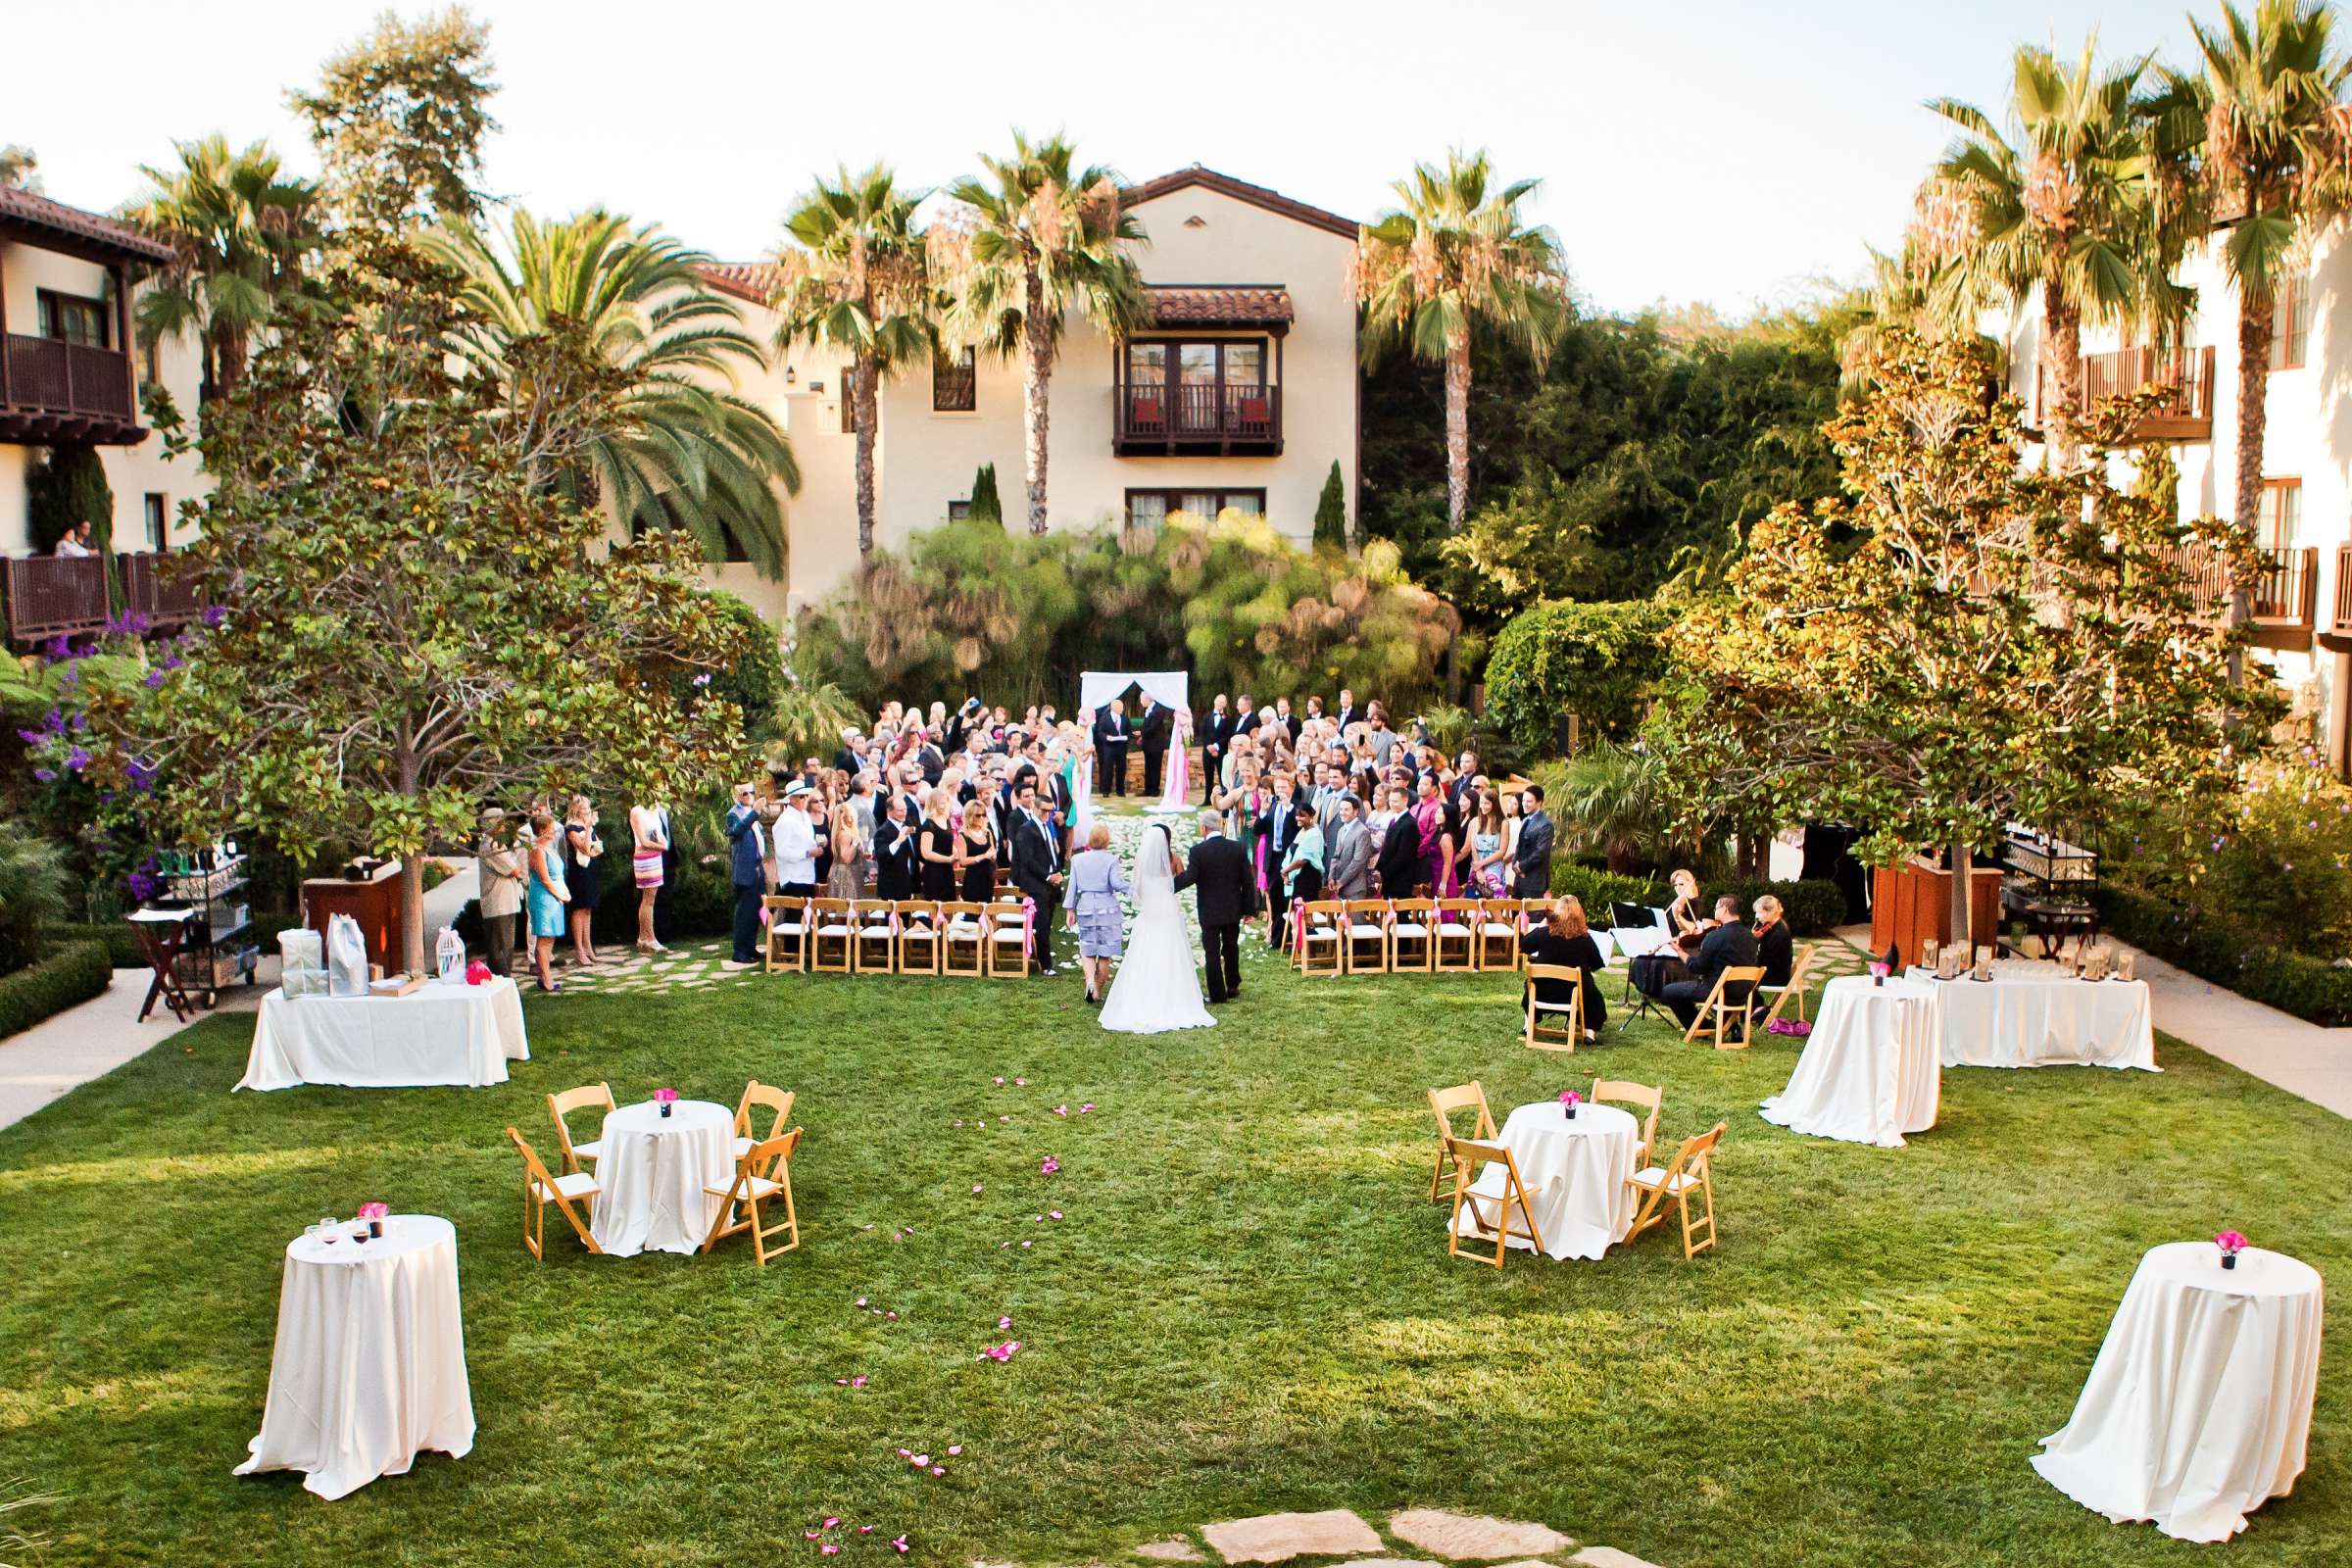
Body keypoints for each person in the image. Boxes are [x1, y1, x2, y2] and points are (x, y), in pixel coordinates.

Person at [1100, 823, 1216, 1032]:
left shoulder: (1140, 862)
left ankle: (1145, 992)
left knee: (1146, 950)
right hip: (1168, 909)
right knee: (1172, 951)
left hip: (1151, 910)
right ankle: (1175, 995)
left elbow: (1137, 890)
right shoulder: (1173, 860)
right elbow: (1181, 880)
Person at [1173, 809, 1252, 1004]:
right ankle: (1232, 985)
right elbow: (1248, 881)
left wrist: (1166, 885)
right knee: (1231, 947)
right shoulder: (1238, 848)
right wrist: (1249, 909)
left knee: (1212, 951)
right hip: (1232, 908)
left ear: (1203, 828)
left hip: (1209, 910)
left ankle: (1217, 994)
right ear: (1221, 826)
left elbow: (1190, 878)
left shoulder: (1198, 851)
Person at [1664, 895, 1762, 1032]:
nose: (1714, 911)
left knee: (1669, 991)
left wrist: (1678, 950)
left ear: (1725, 909)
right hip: (1742, 994)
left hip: (1717, 992)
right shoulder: (1751, 936)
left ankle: (1701, 1027)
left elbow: (1697, 967)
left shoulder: (1715, 936)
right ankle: (1730, 1025)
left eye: (1716, 908)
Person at [1519, 896, 1608, 1042]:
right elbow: (1597, 964)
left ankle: (1528, 1024)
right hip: (1574, 994)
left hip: (1542, 993)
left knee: (1530, 986)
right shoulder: (1585, 939)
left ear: (1556, 913)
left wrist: (1543, 924)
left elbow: (1525, 945)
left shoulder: (1543, 933)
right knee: (1593, 995)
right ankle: (1589, 1033)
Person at [1066, 821, 1131, 1004]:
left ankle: (1089, 982)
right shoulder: (1111, 859)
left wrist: (1070, 910)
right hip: (1107, 908)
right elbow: (1117, 884)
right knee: (1104, 952)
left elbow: (1072, 886)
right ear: (1107, 840)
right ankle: (1098, 992)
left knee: (1087, 948)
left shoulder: (1078, 860)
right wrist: (1134, 888)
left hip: (1086, 906)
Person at [1007, 777, 1065, 976]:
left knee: (1047, 921)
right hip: (1036, 883)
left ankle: (1043, 955)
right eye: (1044, 810)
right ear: (1035, 808)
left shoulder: (1047, 826)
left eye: (1050, 811)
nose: (1047, 814)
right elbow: (1028, 860)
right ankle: (1046, 964)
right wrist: (1048, 876)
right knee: (1041, 922)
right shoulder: (1026, 830)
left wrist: (1057, 871)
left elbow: (1051, 850)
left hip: (1050, 880)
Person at [725, 782, 770, 968]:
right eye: (745, 793)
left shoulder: (752, 813)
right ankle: (739, 951)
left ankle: (750, 947)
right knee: (744, 911)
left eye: (751, 793)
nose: (749, 796)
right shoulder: (733, 814)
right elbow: (735, 831)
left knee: (755, 910)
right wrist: (754, 813)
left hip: (757, 867)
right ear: (738, 795)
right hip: (744, 869)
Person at [524, 809, 570, 992]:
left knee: (549, 939)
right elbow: (545, 879)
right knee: (543, 939)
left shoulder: (550, 849)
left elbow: (557, 875)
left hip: (554, 897)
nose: (554, 832)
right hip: (544, 898)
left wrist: (563, 893)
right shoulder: (537, 851)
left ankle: (546, 976)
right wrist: (559, 895)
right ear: (542, 830)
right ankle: (545, 978)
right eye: (551, 829)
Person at [475, 807, 523, 977]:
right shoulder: (491, 846)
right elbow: (515, 870)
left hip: (505, 904)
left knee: (506, 948)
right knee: (500, 951)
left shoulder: (497, 844)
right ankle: (502, 984)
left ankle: (504, 984)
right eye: (502, 822)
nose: (504, 826)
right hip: (498, 905)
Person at [564, 795, 604, 969]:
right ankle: (579, 949)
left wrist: (590, 833)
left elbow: (598, 848)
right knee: (579, 909)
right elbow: (586, 848)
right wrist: (587, 830)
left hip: (591, 868)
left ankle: (588, 946)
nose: (588, 811)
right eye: (585, 808)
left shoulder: (589, 826)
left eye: (589, 808)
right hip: (578, 872)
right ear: (577, 810)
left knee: (588, 909)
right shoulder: (571, 828)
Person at [628, 802, 668, 954]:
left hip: (655, 856)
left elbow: (658, 833)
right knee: (648, 900)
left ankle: (643, 937)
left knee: (650, 898)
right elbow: (643, 841)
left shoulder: (656, 809)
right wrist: (662, 847)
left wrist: (663, 842)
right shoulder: (637, 811)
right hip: (645, 858)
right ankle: (650, 938)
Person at [773, 781, 820, 902]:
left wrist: (818, 846)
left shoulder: (805, 816)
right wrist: (807, 853)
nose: (805, 799)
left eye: (806, 796)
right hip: (793, 878)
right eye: (801, 796)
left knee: (809, 917)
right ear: (792, 799)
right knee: (794, 917)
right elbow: (782, 851)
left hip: (808, 876)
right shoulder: (785, 820)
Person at [1281, 802, 1326, 920]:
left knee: (1306, 916)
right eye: (1297, 815)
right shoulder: (1301, 832)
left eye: (1302, 815)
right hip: (1297, 879)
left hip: (1308, 879)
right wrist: (1285, 874)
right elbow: (1289, 855)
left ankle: (1307, 938)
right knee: (1296, 916)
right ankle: (1297, 938)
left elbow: (1301, 861)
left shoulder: (1314, 834)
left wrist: (1285, 871)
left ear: (1311, 817)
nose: (1298, 818)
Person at [1376, 783, 1423, 896]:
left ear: (1405, 800)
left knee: (1398, 912)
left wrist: (1384, 873)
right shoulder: (1394, 819)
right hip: (1390, 878)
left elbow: (1404, 855)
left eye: (1395, 801)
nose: (1392, 804)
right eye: (1390, 801)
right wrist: (1379, 868)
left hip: (1400, 879)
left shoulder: (1409, 823)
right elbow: (1387, 847)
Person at [1326, 793, 1375, 900]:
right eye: (1341, 809)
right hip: (1339, 888)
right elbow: (1336, 856)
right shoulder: (1341, 830)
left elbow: (1358, 861)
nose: (1342, 813)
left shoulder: (1362, 831)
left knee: (1355, 917)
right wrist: (1331, 877)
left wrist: (1341, 881)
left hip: (1354, 888)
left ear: (1356, 812)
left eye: (1346, 810)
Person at [873, 790, 919, 901]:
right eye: (900, 810)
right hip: (892, 887)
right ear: (889, 811)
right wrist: (898, 841)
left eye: (905, 810)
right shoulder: (882, 831)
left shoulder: (907, 826)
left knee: (907, 917)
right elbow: (882, 855)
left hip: (908, 884)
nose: (904, 813)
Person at [1512, 784, 1555, 898]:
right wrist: (1515, 865)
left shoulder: (1546, 824)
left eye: (1529, 801)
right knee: (1515, 914)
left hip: (1534, 882)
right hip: (1519, 882)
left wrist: (1521, 866)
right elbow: (1519, 846)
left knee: (1533, 915)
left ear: (1539, 802)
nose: (1525, 804)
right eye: (1523, 801)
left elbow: (1541, 853)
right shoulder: (1526, 820)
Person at [919, 787, 960, 902]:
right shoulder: (928, 824)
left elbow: (946, 841)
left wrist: (956, 853)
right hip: (934, 872)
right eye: (942, 803)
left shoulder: (945, 820)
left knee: (949, 906)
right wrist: (948, 859)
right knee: (936, 909)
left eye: (947, 802)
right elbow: (926, 853)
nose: (946, 805)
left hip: (947, 871)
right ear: (934, 803)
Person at [1467, 787, 1509, 898]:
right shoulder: (1475, 821)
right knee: (1476, 901)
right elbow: (1473, 847)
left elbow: (1502, 851)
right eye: (1481, 803)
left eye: (1486, 803)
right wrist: (1478, 869)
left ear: (1494, 804)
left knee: (1493, 899)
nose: (1483, 806)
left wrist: (1481, 863)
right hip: (1477, 864)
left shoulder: (1503, 823)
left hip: (1494, 864)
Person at [956, 798, 998, 905]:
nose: (982, 818)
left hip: (987, 878)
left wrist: (992, 856)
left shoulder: (987, 833)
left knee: (987, 911)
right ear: (970, 816)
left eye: (984, 814)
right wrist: (983, 856)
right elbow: (963, 861)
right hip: (973, 879)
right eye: (978, 815)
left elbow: (992, 854)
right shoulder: (963, 836)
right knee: (973, 914)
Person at [1136, 689, 1173, 799]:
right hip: (1148, 744)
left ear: (1148, 699)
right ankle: (1148, 789)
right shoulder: (1148, 710)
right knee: (1148, 766)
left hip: (1156, 744)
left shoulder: (1158, 710)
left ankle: (1155, 790)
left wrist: (1141, 733)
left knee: (1155, 767)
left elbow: (1153, 727)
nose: (1141, 701)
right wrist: (1142, 737)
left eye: (1141, 699)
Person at [825, 801, 864, 900]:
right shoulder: (844, 834)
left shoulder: (845, 832)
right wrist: (855, 843)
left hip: (851, 873)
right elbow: (845, 858)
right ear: (850, 817)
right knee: (847, 910)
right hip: (846, 876)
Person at [1753, 894, 1794, 988]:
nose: (1756, 916)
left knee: (1739, 979)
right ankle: (1757, 1001)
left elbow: (1764, 960)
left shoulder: (1779, 933)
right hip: (1773, 973)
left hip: (1775, 977)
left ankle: (1756, 1001)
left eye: (1759, 912)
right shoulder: (1774, 927)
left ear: (1770, 912)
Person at [1094, 698, 1132, 797]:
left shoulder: (1124, 718)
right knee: (1108, 768)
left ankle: (1120, 790)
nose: (1122, 708)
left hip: (1121, 747)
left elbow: (1129, 732)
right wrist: (1107, 737)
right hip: (1109, 747)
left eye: (1122, 706)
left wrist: (1127, 737)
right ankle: (1106, 790)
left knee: (1121, 768)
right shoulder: (1104, 718)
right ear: (1113, 708)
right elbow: (1100, 732)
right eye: (1120, 707)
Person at [1665, 868, 1706, 941]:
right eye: (1675, 885)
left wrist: (1678, 915)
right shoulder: (1672, 902)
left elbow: (1694, 930)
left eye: (1681, 884)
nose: (1678, 888)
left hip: (1686, 945)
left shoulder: (1696, 902)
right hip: (1668, 941)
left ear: (1690, 883)